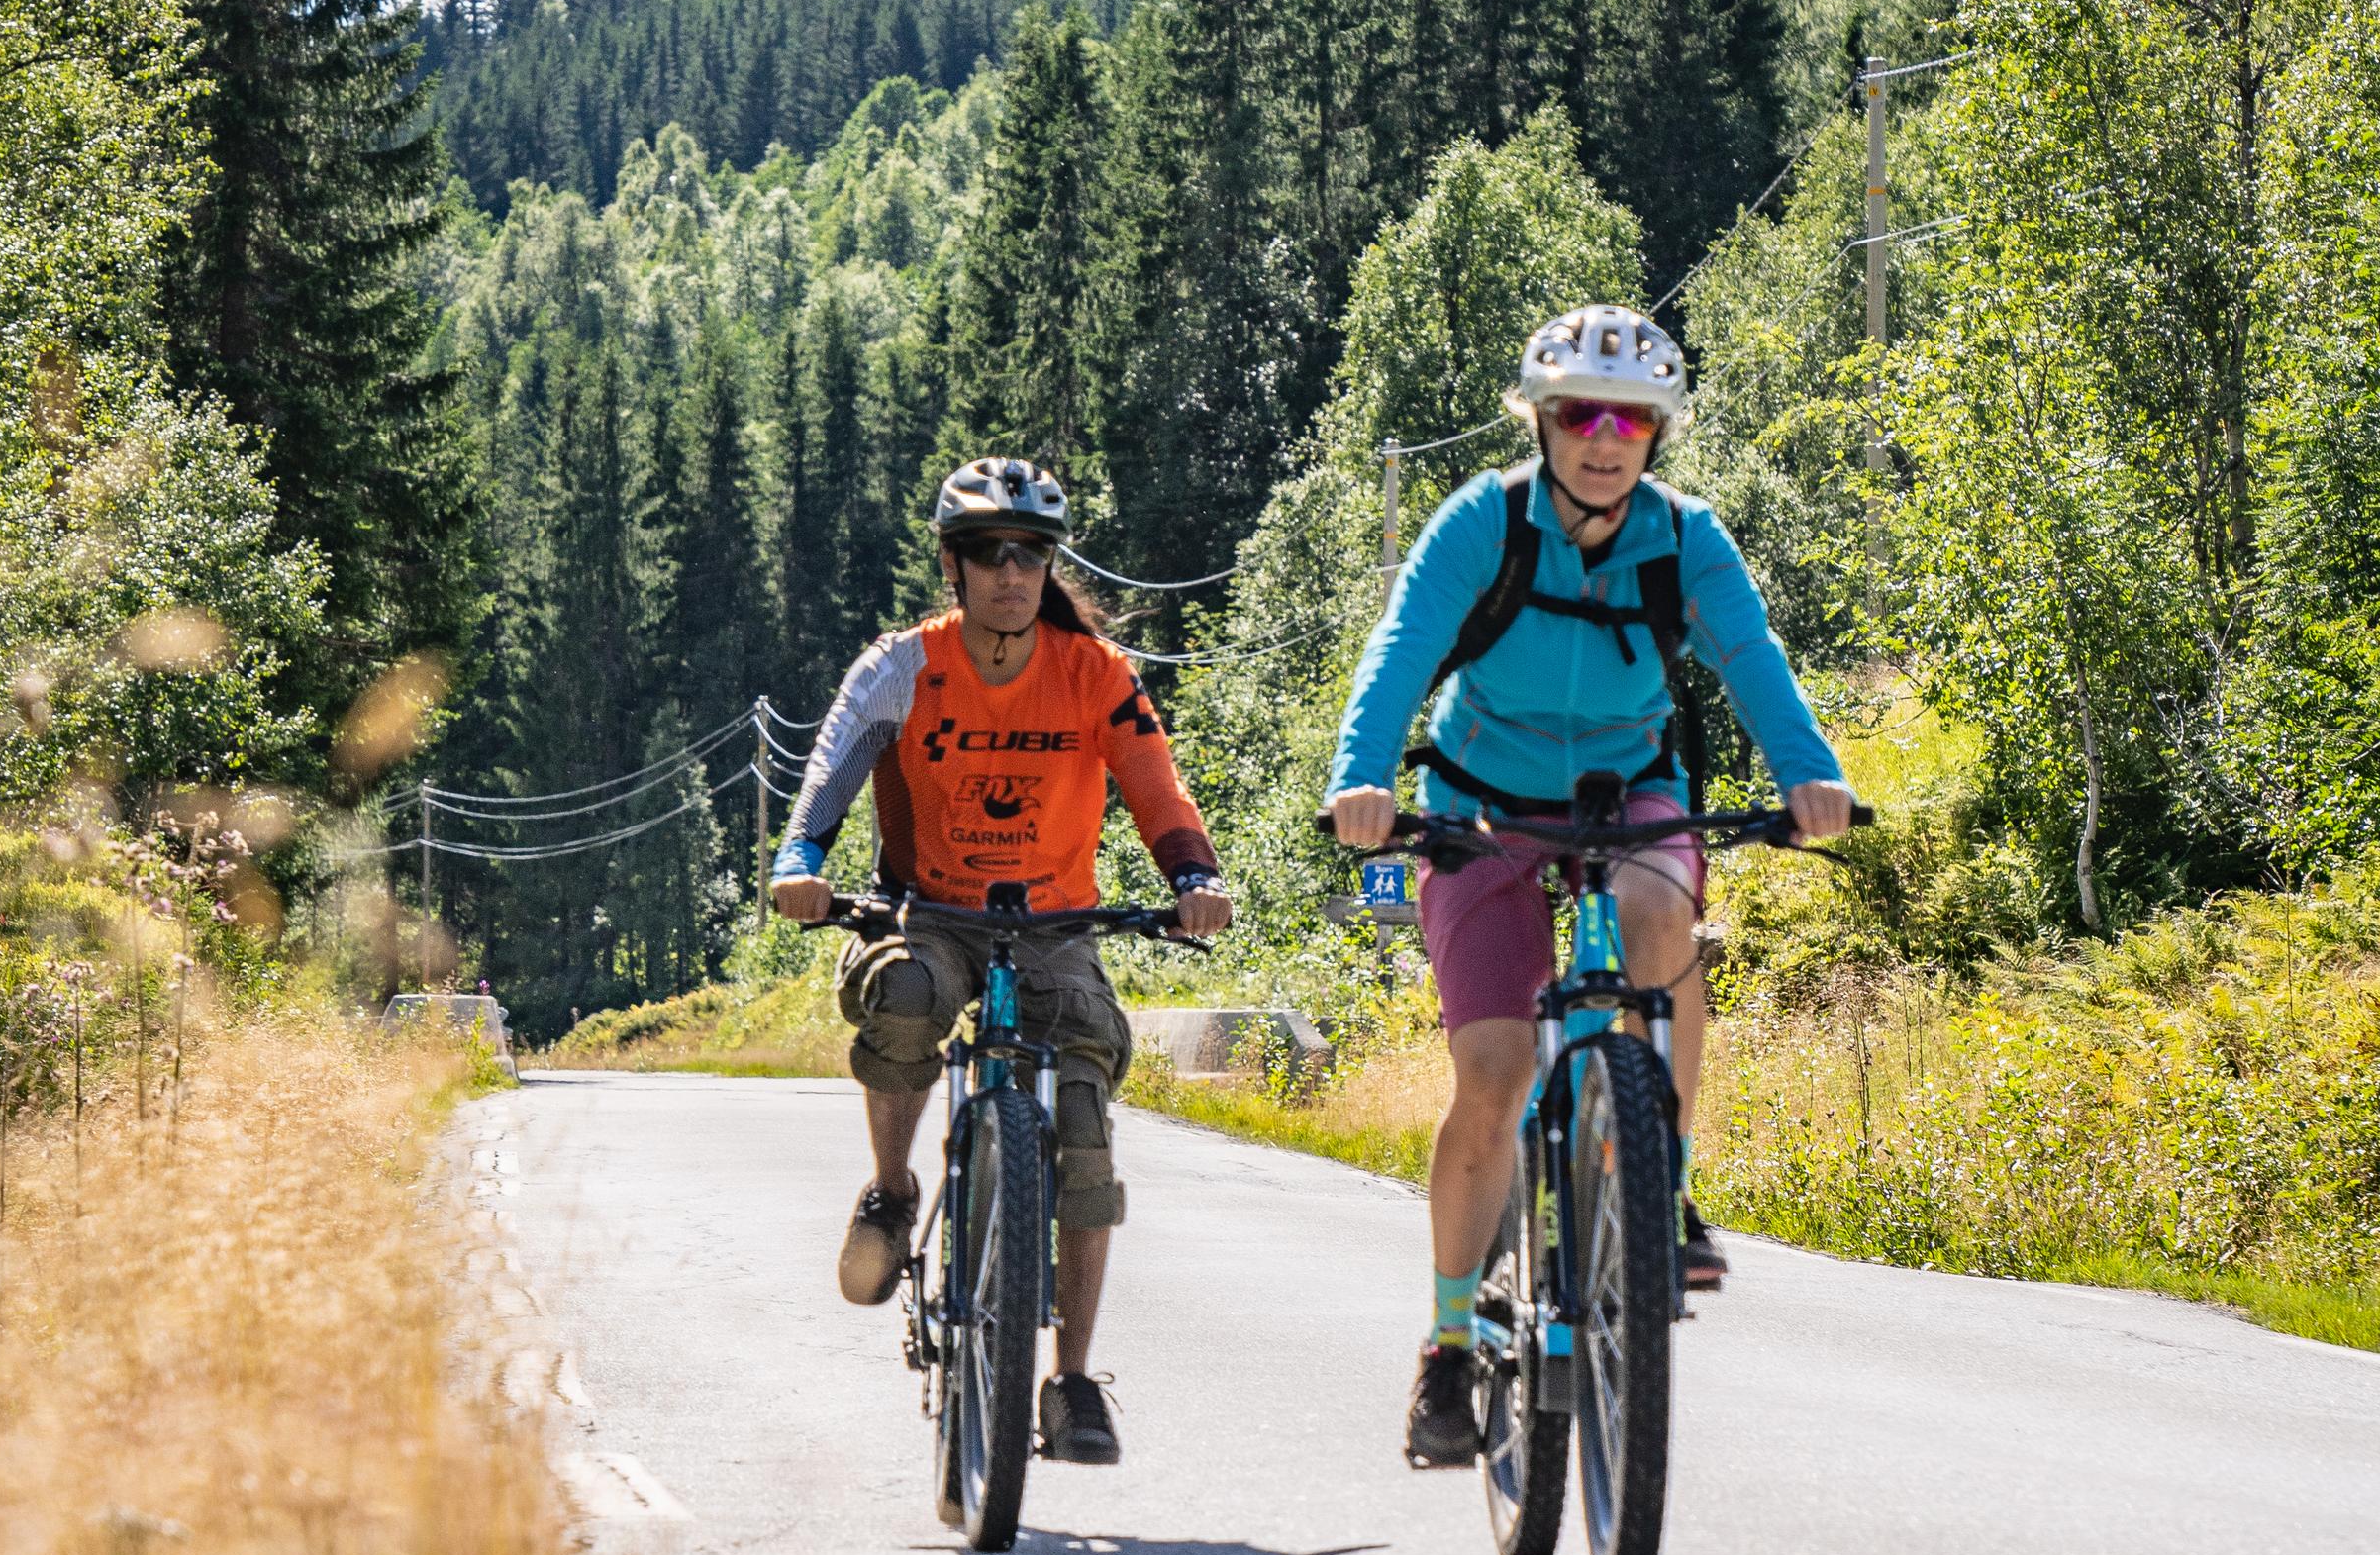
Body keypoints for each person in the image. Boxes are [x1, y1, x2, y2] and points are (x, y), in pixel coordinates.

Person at [1327, 306, 1851, 1468]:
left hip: (1628, 794)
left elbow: (1753, 659)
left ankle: (1658, 1185)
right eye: (1580, 415)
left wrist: (1811, 776)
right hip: (1481, 807)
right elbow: (1402, 648)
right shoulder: (1484, 522)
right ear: (1542, 421)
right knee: (1494, 1068)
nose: (1605, 439)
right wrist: (1361, 779)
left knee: (1666, 917)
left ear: (1657, 432)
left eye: (1631, 419)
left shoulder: (1686, 540)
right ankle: (1450, 1343)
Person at [769, 457, 1232, 1468]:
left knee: (1083, 1129)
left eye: (1030, 553)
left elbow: (1158, 788)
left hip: (1054, 924)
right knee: (903, 992)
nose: (1011, 572)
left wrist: (1195, 875)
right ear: (954, 563)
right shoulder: (904, 667)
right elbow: (828, 775)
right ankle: (892, 1191)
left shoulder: (1096, 673)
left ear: (1049, 563)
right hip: (929, 909)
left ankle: (1071, 1381)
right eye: (988, 554)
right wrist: (800, 862)